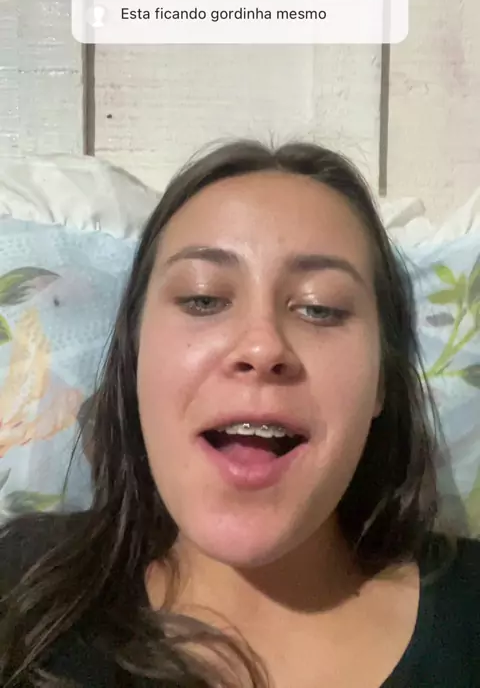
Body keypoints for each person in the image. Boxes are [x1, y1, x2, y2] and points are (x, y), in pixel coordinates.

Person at [0, 138, 478, 688]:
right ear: (135, 360)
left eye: (320, 308)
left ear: (381, 384)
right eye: (203, 299)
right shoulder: (21, 586)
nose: (262, 345)